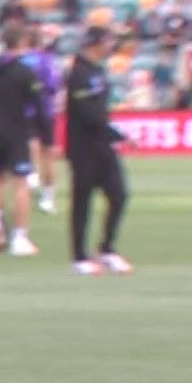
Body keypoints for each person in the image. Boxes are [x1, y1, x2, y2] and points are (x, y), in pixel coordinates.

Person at [63, 27, 132, 275]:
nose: (111, 45)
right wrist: (117, 134)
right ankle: (79, 257)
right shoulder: (79, 73)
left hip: (102, 145)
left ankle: (107, 249)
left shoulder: (98, 70)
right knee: (82, 201)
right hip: (83, 147)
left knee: (119, 195)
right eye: (107, 41)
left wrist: (113, 134)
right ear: (95, 43)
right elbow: (87, 114)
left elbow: (100, 112)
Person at [0, 22, 42, 256]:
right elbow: (37, 105)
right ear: (22, 42)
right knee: (21, 184)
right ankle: (20, 237)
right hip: (15, 133)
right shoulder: (24, 72)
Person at [23, 26, 64, 214]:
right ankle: (48, 198)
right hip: (46, 109)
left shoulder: (20, 60)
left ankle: (32, 172)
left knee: (30, 141)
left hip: (26, 109)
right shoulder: (47, 60)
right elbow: (54, 85)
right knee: (49, 152)